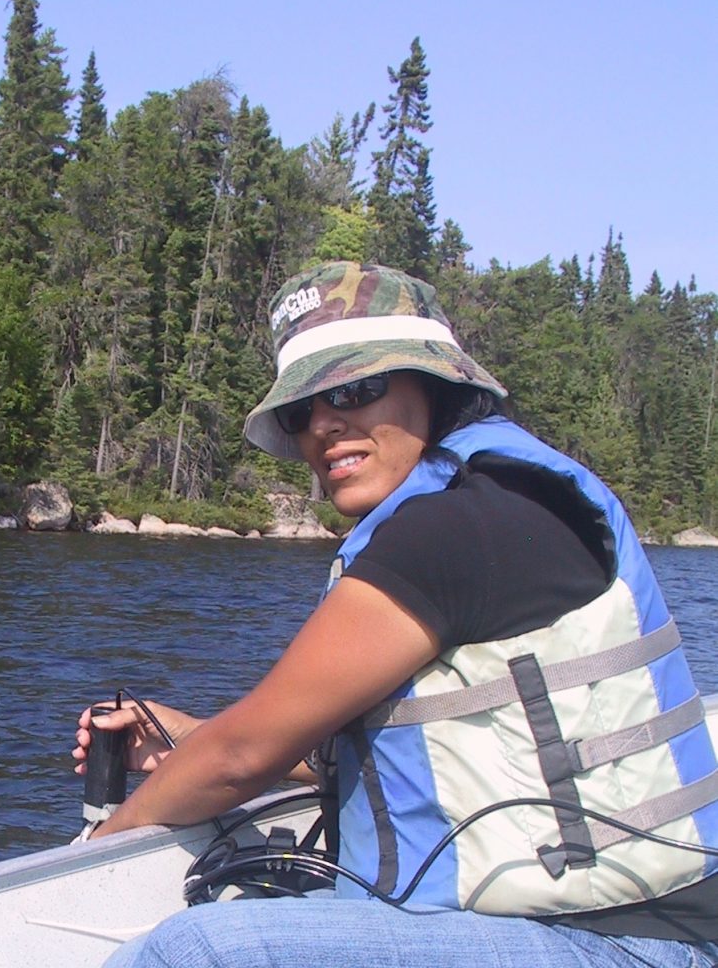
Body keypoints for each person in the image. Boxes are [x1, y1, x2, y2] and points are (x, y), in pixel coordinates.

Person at [73, 261, 718, 968]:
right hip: (544, 927)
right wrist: (182, 740)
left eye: (354, 388)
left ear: (434, 384)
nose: (323, 426)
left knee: (195, 949)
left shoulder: (464, 526)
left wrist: (97, 856)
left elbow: (238, 759)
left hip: (620, 942)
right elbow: (412, 758)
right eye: (300, 410)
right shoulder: (482, 504)